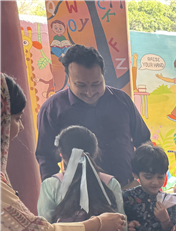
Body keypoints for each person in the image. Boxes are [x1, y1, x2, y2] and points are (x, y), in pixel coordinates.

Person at [0, 73, 125, 231]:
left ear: (61, 154)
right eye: (17, 118)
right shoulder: (110, 182)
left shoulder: (51, 185)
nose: (21, 127)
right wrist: (98, 223)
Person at [36, 45, 150, 188]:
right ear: (69, 79)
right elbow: (46, 157)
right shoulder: (52, 109)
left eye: (96, 84)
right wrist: (54, 192)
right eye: (81, 85)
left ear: (103, 76)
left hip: (127, 188)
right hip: (81, 195)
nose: (89, 92)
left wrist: (147, 179)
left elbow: (143, 141)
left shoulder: (122, 100)